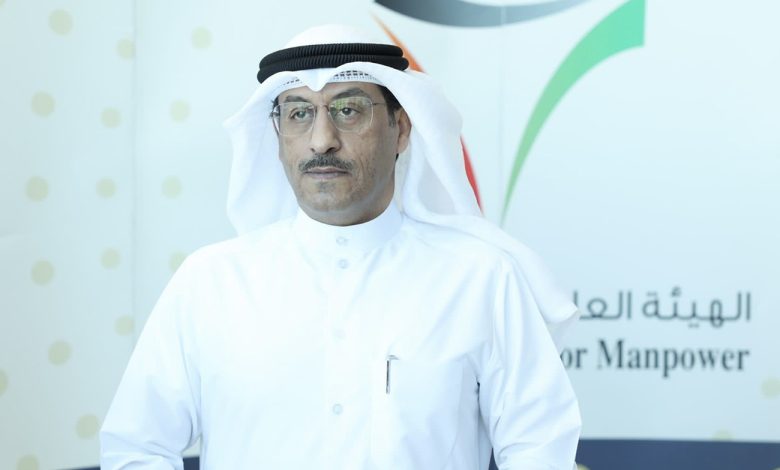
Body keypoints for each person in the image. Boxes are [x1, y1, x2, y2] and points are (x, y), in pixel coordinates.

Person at [100, 24, 581, 470]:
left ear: (401, 129)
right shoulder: (210, 282)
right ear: (278, 137)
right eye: (299, 114)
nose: (321, 141)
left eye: (348, 110)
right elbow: (137, 447)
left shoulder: (480, 278)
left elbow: (539, 448)